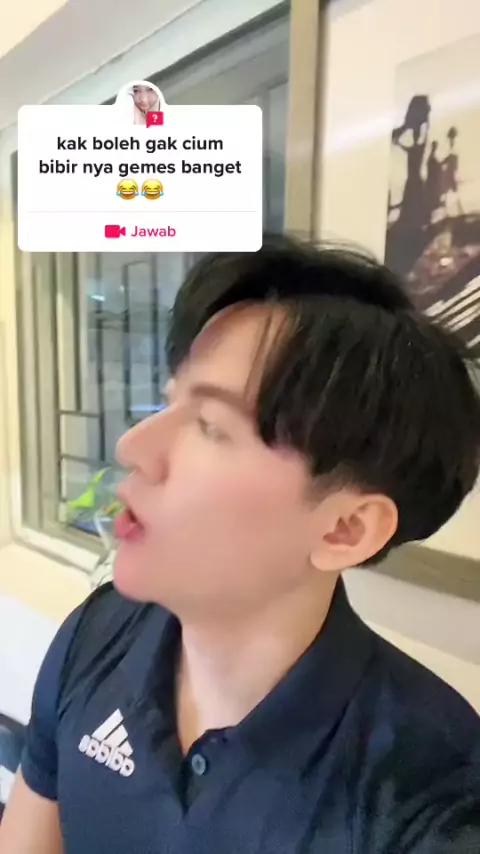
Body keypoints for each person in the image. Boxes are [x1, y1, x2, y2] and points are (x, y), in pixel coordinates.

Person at [1, 235, 479, 854]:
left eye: (210, 425)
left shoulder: (428, 791)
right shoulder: (99, 633)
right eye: (170, 402)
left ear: (345, 529)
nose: (132, 447)